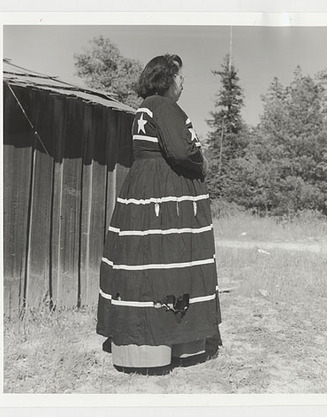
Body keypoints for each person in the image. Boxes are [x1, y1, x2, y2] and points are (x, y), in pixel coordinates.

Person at [96, 54, 222, 373]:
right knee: (167, 258)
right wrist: (200, 161)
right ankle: (171, 338)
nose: (183, 82)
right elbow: (180, 151)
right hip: (163, 194)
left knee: (143, 257)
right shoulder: (164, 106)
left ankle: (141, 342)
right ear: (167, 79)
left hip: (142, 187)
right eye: (180, 77)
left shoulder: (144, 107)